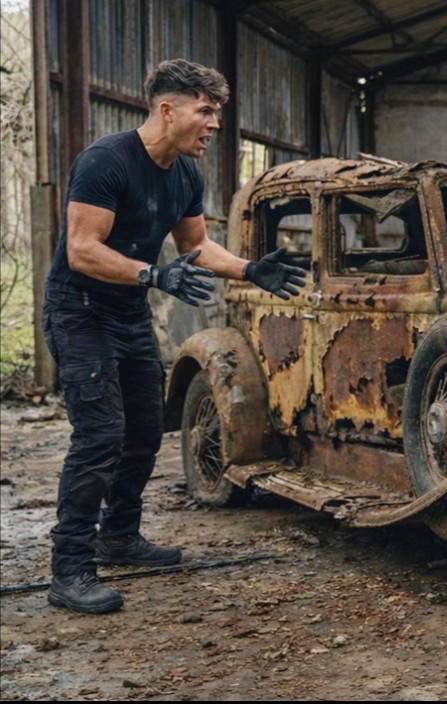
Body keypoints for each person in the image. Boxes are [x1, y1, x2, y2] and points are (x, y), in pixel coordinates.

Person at [42, 59, 308, 613]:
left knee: (143, 428)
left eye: (216, 113)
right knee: (99, 436)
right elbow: (82, 250)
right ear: (168, 109)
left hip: (127, 311)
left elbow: (195, 246)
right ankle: (70, 569)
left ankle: (118, 536)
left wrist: (248, 269)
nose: (213, 124)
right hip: (80, 310)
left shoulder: (186, 171)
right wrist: (152, 274)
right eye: (205, 111)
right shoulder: (105, 161)